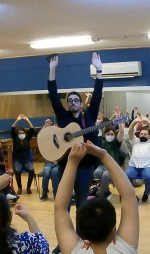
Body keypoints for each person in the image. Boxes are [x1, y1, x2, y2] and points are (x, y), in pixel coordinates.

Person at [55, 141, 140, 254]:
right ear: (114, 227)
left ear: (81, 230)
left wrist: (72, 162)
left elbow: (60, 208)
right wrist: (103, 154)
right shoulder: (126, 251)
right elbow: (129, 195)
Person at [47, 52, 103, 211]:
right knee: (63, 204)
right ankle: (64, 233)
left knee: (82, 204)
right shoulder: (63, 116)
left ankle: (80, 234)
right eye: (70, 100)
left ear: (80, 103)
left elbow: (97, 95)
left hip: (85, 167)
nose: (73, 102)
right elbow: (53, 96)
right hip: (65, 165)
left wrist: (99, 71)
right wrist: (52, 69)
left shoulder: (89, 115)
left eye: (76, 100)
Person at [125, 116, 150, 203]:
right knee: (126, 176)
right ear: (139, 135)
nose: (143, 135)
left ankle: (146, 193)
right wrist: (134, 122)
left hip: (147, 167)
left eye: (145, 134)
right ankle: (132, 195)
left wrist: (147, 121)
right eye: (141, 134)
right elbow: (130, 131)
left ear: (149, 136)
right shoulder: (135, 141)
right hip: (133, 166)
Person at [94, 124, 125, 200]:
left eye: (112, 134)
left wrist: (120, 121)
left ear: (115, 135)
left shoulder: (116, 143)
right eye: (108, 134)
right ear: (105, 135)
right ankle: (106, 191)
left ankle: (99, 194)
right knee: (96, 172)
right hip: (102, 165)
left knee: (105, 175)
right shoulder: (102, 142)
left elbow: (121, 132)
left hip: (113, 167)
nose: (110, 136)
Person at [11, 114, 36, 194]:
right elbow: (12, 128)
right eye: (19, 133)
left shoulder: (28, 139)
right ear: (17, 135)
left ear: (25, 134)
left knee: (31, 171)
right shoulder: (15, 140)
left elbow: (32, 129)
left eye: (23, 133)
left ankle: (28, 187)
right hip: (17, 160)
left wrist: (27, 120)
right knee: (17, 171)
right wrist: (17, 120)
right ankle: (20, 187)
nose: (21, 134)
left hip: (26, 160)